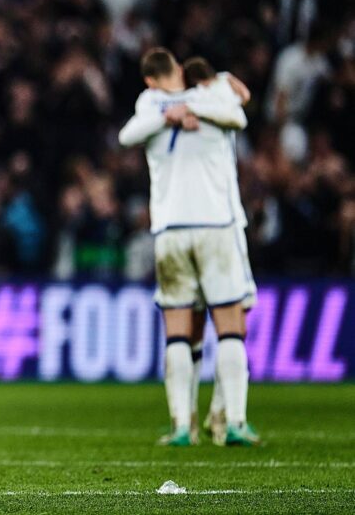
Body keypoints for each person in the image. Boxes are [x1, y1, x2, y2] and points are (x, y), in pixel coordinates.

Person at [118, 47, 260, 447]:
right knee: (231, 325)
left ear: (149, 79)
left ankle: (183, 425)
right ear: (179, 69)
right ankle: (233, 422)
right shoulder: (211, 97)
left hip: (170, 230)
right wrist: (211, 97)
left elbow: (127, 135)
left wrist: (168, 115)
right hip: (217, 225)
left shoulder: (149, 104)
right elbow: (239, 113)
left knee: (179, 329)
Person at [182, 56, 257, 446]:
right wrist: (224, 81)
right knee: (234, 321)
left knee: (193, 325)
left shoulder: (178, 112)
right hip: (224, 224)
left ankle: (197, 417)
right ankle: (223, 416)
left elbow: (241, 94)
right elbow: (243, 97)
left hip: (187, 228)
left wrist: (219, 82)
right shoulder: (217, 105)